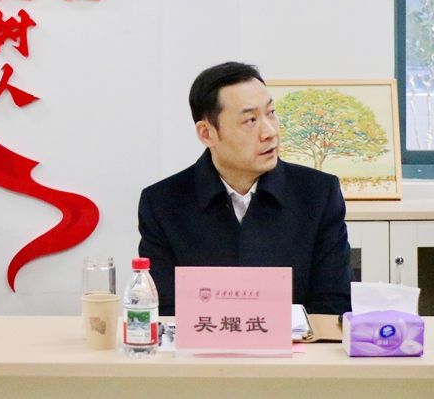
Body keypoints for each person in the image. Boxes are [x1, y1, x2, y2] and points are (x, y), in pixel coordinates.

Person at [138, 62, 351, 315]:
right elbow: (164, 312)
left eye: (271, 113)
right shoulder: (163, 203)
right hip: (203, 341)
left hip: (299, 341)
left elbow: (333, 305)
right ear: (207, 133)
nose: (270, 132)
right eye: (250, 120)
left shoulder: (318, 194)